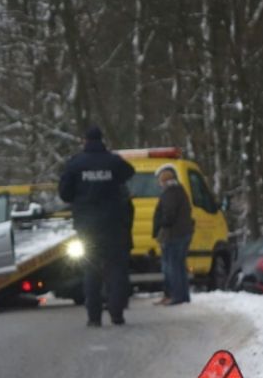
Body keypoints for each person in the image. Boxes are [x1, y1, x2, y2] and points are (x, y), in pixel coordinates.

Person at [58, 126, 135, 327]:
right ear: (102, 140)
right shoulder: (113, 161)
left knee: (91, 270)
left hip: (87, 227)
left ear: (84, 140)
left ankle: (94, 317)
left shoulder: (76, 163)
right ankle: (117, 314)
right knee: (115, 270)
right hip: (113, 225)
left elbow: (65, 193)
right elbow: (130, 172)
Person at [152, 164, 195, 306]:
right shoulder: (179, 190)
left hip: (173, 235)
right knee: (179, 266)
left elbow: (169, 215)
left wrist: (161, 224)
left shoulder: (170, 193)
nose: (159, 183)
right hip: (182, 233)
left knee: (172, 267)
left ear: (164, 181)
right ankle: (182, 295)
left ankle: (175, 296)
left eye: (160, 180)